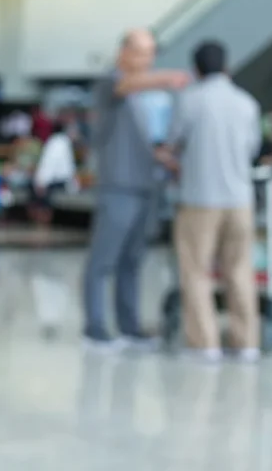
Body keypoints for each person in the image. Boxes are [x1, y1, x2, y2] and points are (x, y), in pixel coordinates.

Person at [84, 29, 190, 350]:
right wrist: (166, 78)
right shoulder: (110, 84)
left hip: (148, 186)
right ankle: (95, 327)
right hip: (118, 186)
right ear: (123, 53)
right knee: (104, 259)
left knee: (133, 260)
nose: (148, 61)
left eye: (152, 53)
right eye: (142, 53)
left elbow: (148, 141)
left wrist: (169, 161)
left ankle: (129, 326)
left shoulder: (146, 98)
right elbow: (126, 85)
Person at [159, 41, 262, 363]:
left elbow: (173, 143)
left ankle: (206, 345)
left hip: (200, 199)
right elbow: (252, 148)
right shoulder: (246, 103)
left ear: (196, 70)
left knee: (196, 271)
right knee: (239, 271)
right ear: (226, 67)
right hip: (239, 199)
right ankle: (247, 344)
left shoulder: (190, 101)